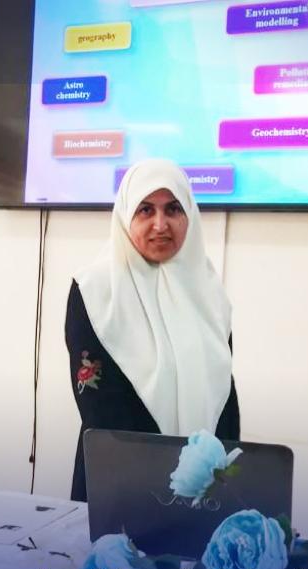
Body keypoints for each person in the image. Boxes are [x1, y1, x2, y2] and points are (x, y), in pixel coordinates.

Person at [65, 159, 240, 501]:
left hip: (202, 487)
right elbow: (101, 408)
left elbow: (224, 396)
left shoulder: (209, 294)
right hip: (119, 483)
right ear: (125, 216)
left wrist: (221, 478)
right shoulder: (96, 290)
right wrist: (165, 480)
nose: (160, 224)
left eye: (173, 209)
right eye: (145, 210)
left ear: (190, 216)